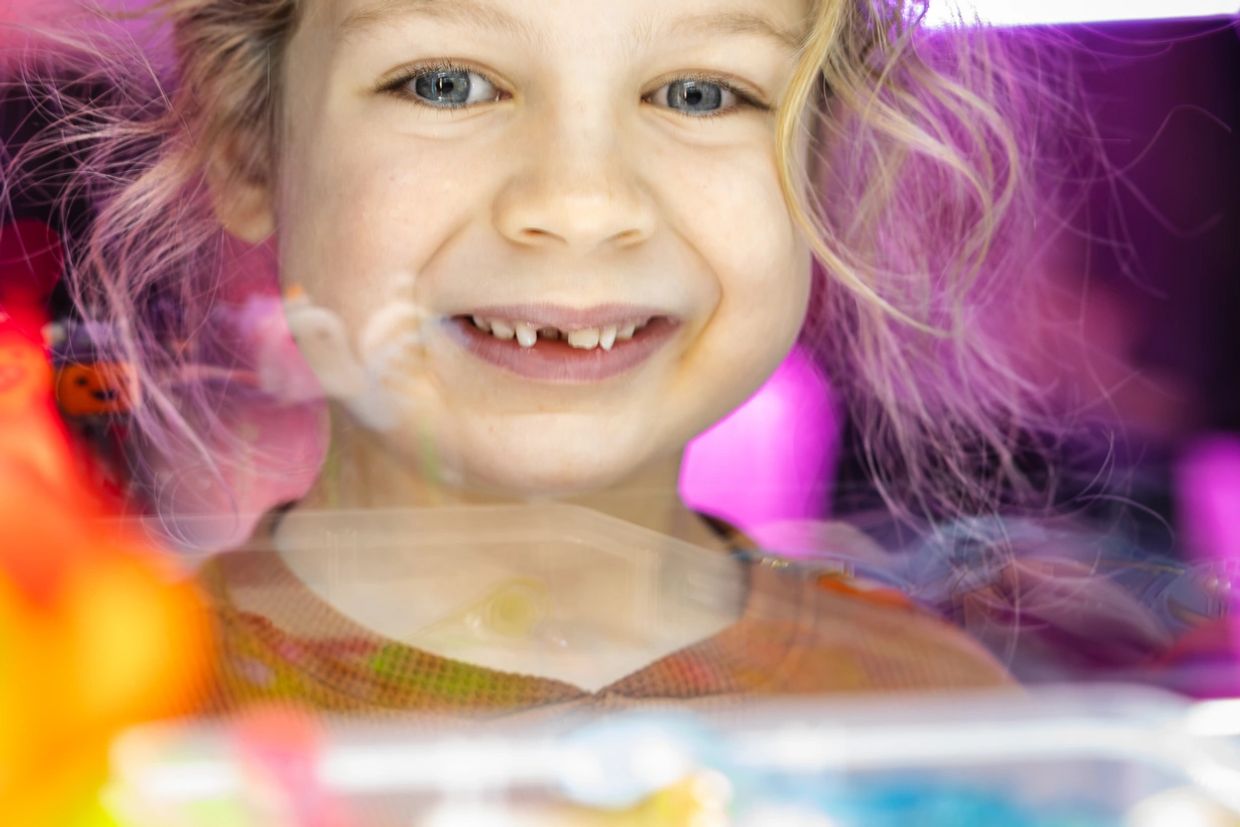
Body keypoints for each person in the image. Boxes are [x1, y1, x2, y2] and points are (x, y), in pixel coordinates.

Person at [7, 0, 1069, 715]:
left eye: (700, 94)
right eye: (446, 84)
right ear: (250, 139)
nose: (580, 204)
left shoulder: (933, 710)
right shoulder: (99, 715)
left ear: (819, 155)